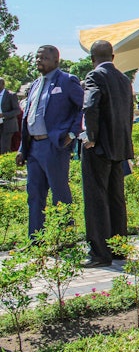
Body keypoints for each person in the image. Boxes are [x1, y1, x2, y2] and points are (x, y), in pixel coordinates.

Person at [16, 45, 84, 237]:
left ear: (56, 61)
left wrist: (72, 134)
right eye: (38, 58)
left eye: (44, 58)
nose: (39, 61)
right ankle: (36, 239)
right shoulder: (36, 84)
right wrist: (23, 148)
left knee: (59, 194)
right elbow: (28, 116)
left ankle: (65, 238)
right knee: (35, 195)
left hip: (54, 145)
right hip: (34, 148)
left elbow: (83, 108)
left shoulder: (66, 81)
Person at [80, 40, 134, 268]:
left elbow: (90, 105)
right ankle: (119, 248)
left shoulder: (94, 76)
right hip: (119, 147)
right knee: (116, 198)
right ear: (113, 57)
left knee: (96, 199)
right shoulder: (124, 80)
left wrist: (90, 136)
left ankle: (100, 254)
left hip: (99, 147)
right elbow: (130, 112)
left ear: (93, 59)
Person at [0, 78, 21, 154]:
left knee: (4, 147)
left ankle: (4, 164)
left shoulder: (11, 95)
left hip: (8, 125)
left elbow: (17, 111)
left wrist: (3, 115)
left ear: (3, 85)